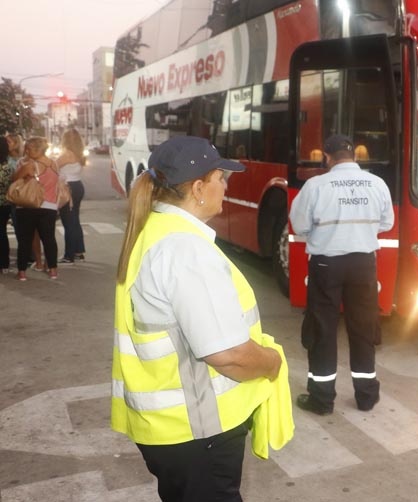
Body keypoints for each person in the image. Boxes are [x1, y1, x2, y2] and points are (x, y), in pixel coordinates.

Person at [111, 136, 291, 502]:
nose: (226, 187)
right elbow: (227, 355)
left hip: (170, 433)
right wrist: (273, 363)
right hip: (197, 434)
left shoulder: (154, 231)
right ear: (197, 188)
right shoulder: (185, 251)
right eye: (221, 179)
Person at [289, 134, 394, 415]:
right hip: (363, 265)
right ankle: (366, 397)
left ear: (327, 157)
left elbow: (298, 226)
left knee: (322, 330)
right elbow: (386, 222)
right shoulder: (377, 184)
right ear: (354, 157)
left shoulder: (315, 185)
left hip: (326, 265)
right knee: (364, 328)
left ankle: (322, 400)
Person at [11, 137, 60, 281]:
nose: (26, 151)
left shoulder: (29, 165)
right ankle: (53, 270)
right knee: (49, 239)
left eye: (29, 148)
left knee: (25, 239)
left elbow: (14, 179)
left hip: (29, 206)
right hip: (50, 206)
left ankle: (22, 272)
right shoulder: (54, 164)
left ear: (37, 149)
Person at [57, 129, 87, 263]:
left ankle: (69, 255)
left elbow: (52, 167)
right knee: (74, 220)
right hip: (78, 186)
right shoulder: (79, 154)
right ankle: (78, 251)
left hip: (67, 188)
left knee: (68, 222)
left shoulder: (66, 155)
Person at [0, 139, 12, 273]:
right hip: (5, 204)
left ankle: (3, 263)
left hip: (2, 203)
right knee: (2, 233)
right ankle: (4, 263)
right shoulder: (7, 166)